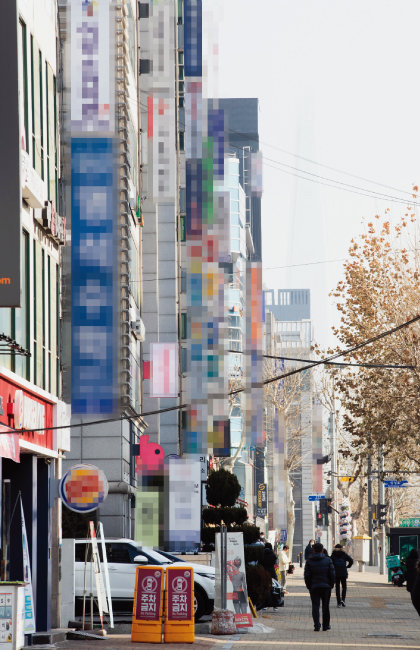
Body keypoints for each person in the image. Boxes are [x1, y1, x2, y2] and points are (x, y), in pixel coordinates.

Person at [304, 541, 335, 632]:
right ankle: (326, 625)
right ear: (322, 550)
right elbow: (332, 574)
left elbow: (307, 575)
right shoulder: (328, 560)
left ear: (313, 550)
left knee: (315, 606)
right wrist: (331, 584)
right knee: (326, 606)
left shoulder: (309, 561)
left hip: (314, 587)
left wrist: (309, 586)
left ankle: (317, 625)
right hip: (326, 587)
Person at [261, 542, 279, 612]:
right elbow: (275, 563)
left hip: (264, 572)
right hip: (272, 572)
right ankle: (275, 606)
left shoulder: (262, 554)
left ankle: (264, 605)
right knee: (274, 589)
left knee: (264, 589)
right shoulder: (273, 554)